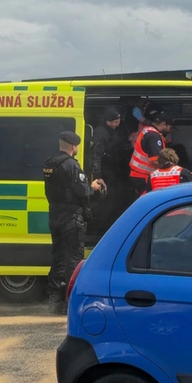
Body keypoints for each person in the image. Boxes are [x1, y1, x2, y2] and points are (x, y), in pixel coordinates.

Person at [44, 130, 107, 315]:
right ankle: (72, 303)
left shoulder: (50, 163)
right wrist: (93, 186)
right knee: (73, 260)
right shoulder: (71, 165)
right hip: (71, 218)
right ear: (73, 146)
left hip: (55, 215)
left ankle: (54, 303)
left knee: (57, 259)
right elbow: (83, 191)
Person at [128, 105, 171, 195]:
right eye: (169, 127)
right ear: (163, 124)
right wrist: (170, 172)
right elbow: (155, 161)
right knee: (149, 203)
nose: (170, 131)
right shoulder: (153, 136)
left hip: (139, 176)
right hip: (144, 177)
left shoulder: (148, 130)